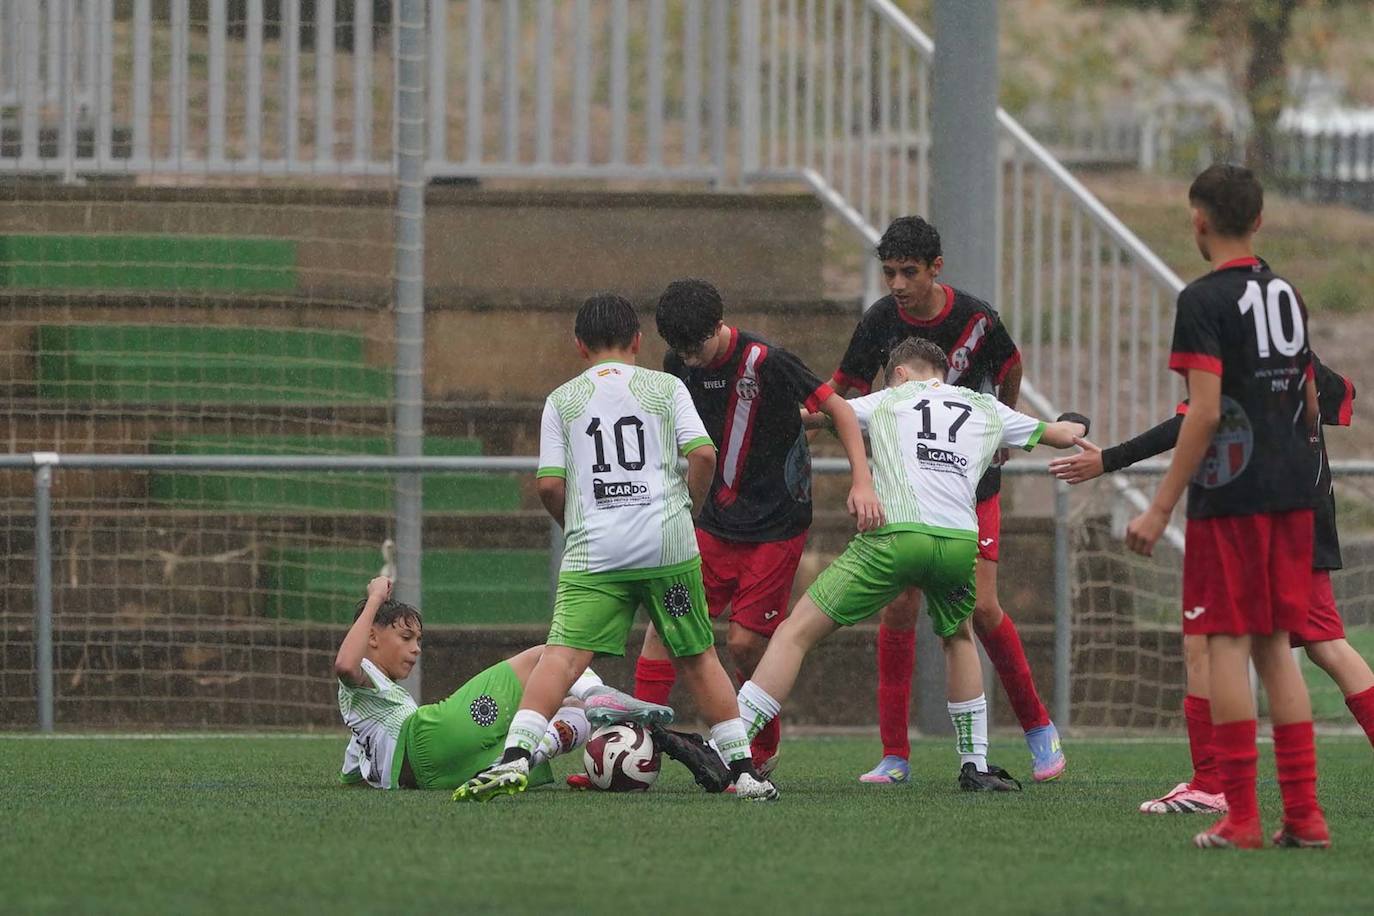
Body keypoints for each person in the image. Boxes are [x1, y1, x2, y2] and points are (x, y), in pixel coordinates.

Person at [452, 293, 776, 802]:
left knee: (561, 658)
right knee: (697, 655)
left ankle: (514, 756)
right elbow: (704, 455)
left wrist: (575, 524)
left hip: (595, 550)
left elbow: (548, 486)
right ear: (638, 341)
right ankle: (742, 770)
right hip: (665, 544)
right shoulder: (666, 387)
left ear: (579, 346)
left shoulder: (563, 399)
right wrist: (686, 510)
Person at [734, 339, 1089, 797]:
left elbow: (820, 415)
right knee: (958, 636)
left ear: (900, 373)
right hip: (960, 544)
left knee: (795, 632)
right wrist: (1076, 422)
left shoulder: (891, 398)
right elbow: (1060, 434)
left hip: (895, 536)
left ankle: (731, 742)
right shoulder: (985, 407)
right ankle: (974, 763)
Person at [1051, 355, 1370, 816]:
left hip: (1258, 518)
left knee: (1208, 643)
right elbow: (1340, 396)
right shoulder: (1295, 347)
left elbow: (1195, 419)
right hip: (1308, 512)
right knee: (1326, 646)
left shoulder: (1236, 338)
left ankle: (1211, 784)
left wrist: (1112, 461)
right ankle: (1269, 800)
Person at [1123, 163, 1328, 850]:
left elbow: (1203, 413)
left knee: (1227, 646)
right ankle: (1304, 816)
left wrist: (1158, 508)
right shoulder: (1288, 295)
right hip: (1294, 491)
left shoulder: (1203, 300)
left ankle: (1241, 818)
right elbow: (1309, 401)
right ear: (1261, 220)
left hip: (1233, 498)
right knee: (1277, 648)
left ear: (1198, 219)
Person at [826, 216, 1064, 784]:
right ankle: (894, 754)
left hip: (969, 484)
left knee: (981, 610)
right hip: (907, 489)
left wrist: (1000, 433)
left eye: (909, 272)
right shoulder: (879, 322)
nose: (898, 284)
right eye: (889, 272)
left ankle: (1038, 729)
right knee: (900, 605)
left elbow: (1011, 368)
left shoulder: (977, 318)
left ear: (937, 268)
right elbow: (841, 392)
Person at [630, 278, 882, 775]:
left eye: (697, 346)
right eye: (680, 350)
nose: (691, 359)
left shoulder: (766, 360)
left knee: (744, 644)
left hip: (775, 525)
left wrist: (862, 481)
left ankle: (760, 744)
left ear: (718, 326)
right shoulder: (679, 364)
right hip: (714, 522)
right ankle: (638, 751)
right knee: (665, 625)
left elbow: (838, 411)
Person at [335, 576, 660, 792]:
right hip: (430, 736)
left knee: (573, 711)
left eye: (418, 639)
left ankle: (527, 756)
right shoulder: (362, 673)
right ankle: (596, 694)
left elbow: (354, 773)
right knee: (544, 656)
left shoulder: (368, 715)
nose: (416, 648)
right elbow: (345, 665)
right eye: (406, 638)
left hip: (440, 778)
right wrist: (375, 598)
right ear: (372, 637)